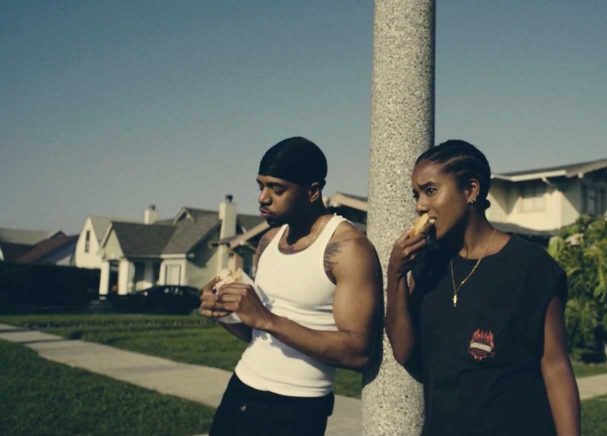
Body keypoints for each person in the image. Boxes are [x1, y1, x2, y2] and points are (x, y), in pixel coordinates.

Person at [385, 140, 580, 435]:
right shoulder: (428, 263)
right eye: (416, 194)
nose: (420, 205)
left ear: (470, 191)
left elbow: (555, 366)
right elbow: (404, 352)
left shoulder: (532, 267)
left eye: (430, 190)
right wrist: (395, 275)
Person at [199, 136, 382, 436]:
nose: (263, 198)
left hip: (296, 408)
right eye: (261, 186)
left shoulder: (347, 248)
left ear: (312, 191)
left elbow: (358, 352)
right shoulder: (268, 241)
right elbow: (255, 332)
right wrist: (222, 311)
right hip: (242, 388)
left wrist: (267, 320)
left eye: (277, 189)